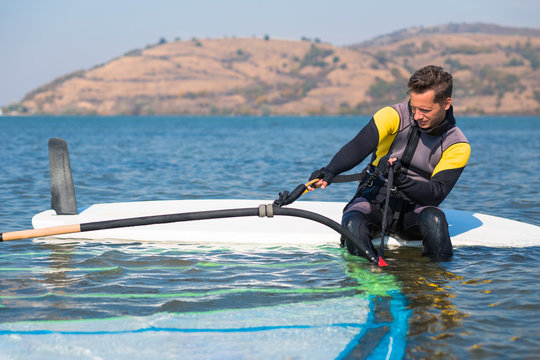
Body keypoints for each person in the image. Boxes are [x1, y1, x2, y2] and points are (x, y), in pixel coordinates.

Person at [309, 65, 470, 264]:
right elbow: (360, 145)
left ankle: (434, 284)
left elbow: (436, 193)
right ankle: (368, 277)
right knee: (352, 223)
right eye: (413, 107)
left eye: (425, 110)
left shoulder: (457, 144)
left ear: (446, 104)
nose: (417, 116)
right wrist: (330, 170)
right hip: (374, 201)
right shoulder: (393, 115)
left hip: (414, 209)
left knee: (435, 220)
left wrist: (401, 179)